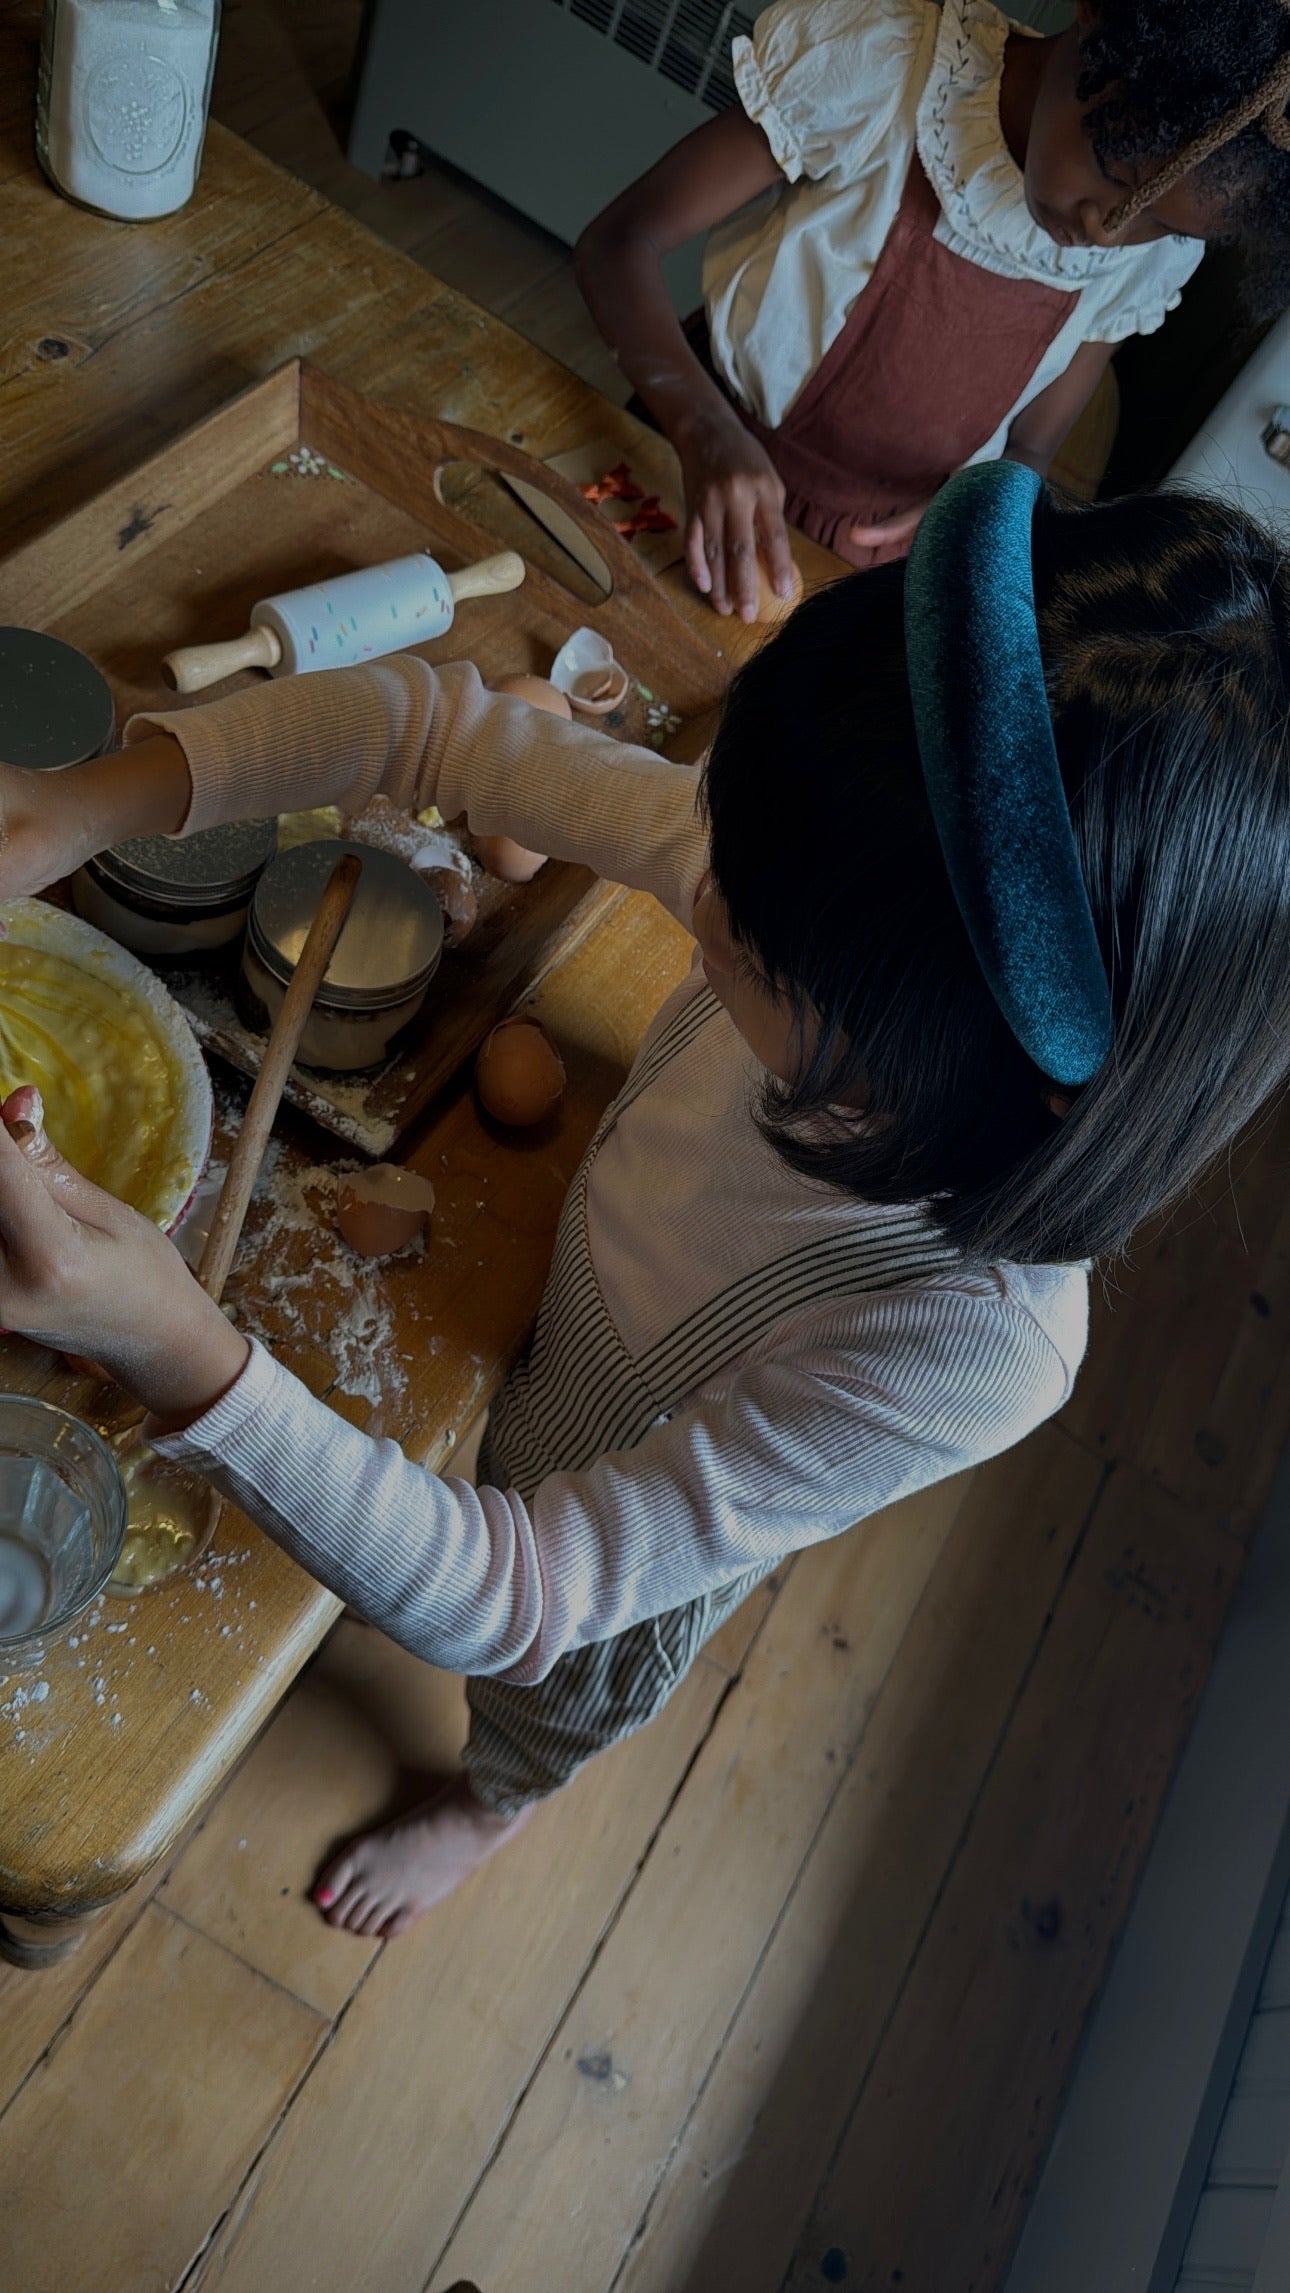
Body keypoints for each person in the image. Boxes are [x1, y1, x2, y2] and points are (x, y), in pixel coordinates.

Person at [0, 468, 1289, 1941]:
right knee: (419, 1497)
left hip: (599, 1523)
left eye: (746, 950)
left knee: (543, 1702)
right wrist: (75, 804)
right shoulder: (819, 890)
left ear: (976, 1065)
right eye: (723, 852)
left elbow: (524, 1592)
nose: (698, 891)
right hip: (571, 1291)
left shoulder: (965, 1341)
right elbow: (427, 727)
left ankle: (492, 1806)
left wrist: (176, 1345)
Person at [575, 0, 1290, 617]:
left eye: (1160, 225)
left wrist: (971, 512)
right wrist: (702, 430)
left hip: (870, 573)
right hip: (685, 451)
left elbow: (1031, 451)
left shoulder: (1142, 259)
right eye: (1113, 170)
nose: (1107, 232)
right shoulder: (888, 68)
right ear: (1094, 16)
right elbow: (616, 242)